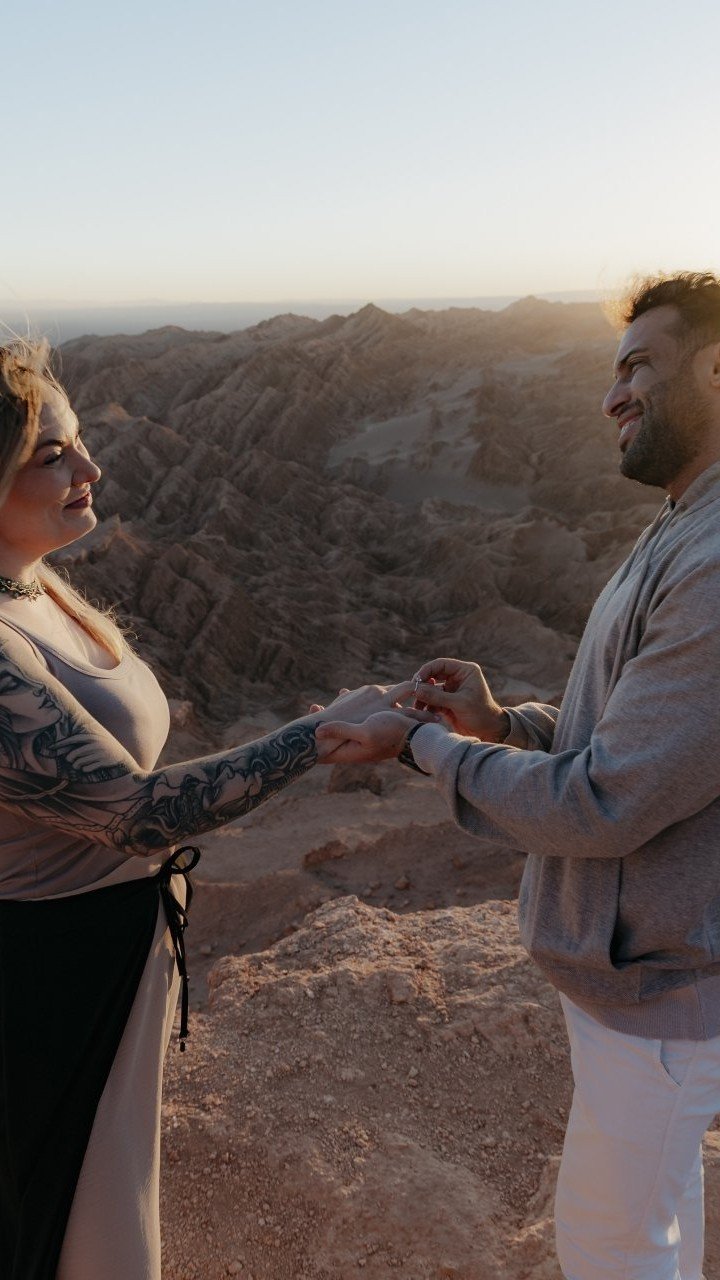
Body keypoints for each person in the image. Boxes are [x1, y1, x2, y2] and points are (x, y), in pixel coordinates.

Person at [318, 272, 720, 1280]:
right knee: (655, 1210)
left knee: (610, 1244)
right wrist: (501, 725)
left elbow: (606, 800)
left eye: (638, 368)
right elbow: (625, 745)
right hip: (647, 977)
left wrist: (420, 747)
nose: (612, 397)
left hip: (665, 988)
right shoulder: (685, 520)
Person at [0, 338, 411, 1280]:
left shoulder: (38, 586)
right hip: (41, 985)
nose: (90, 468)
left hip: (106, 955)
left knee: (95, 1215)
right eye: (51, 454)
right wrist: (316, 737)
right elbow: (131, 815)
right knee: (55, 1224)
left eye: (79, 440)